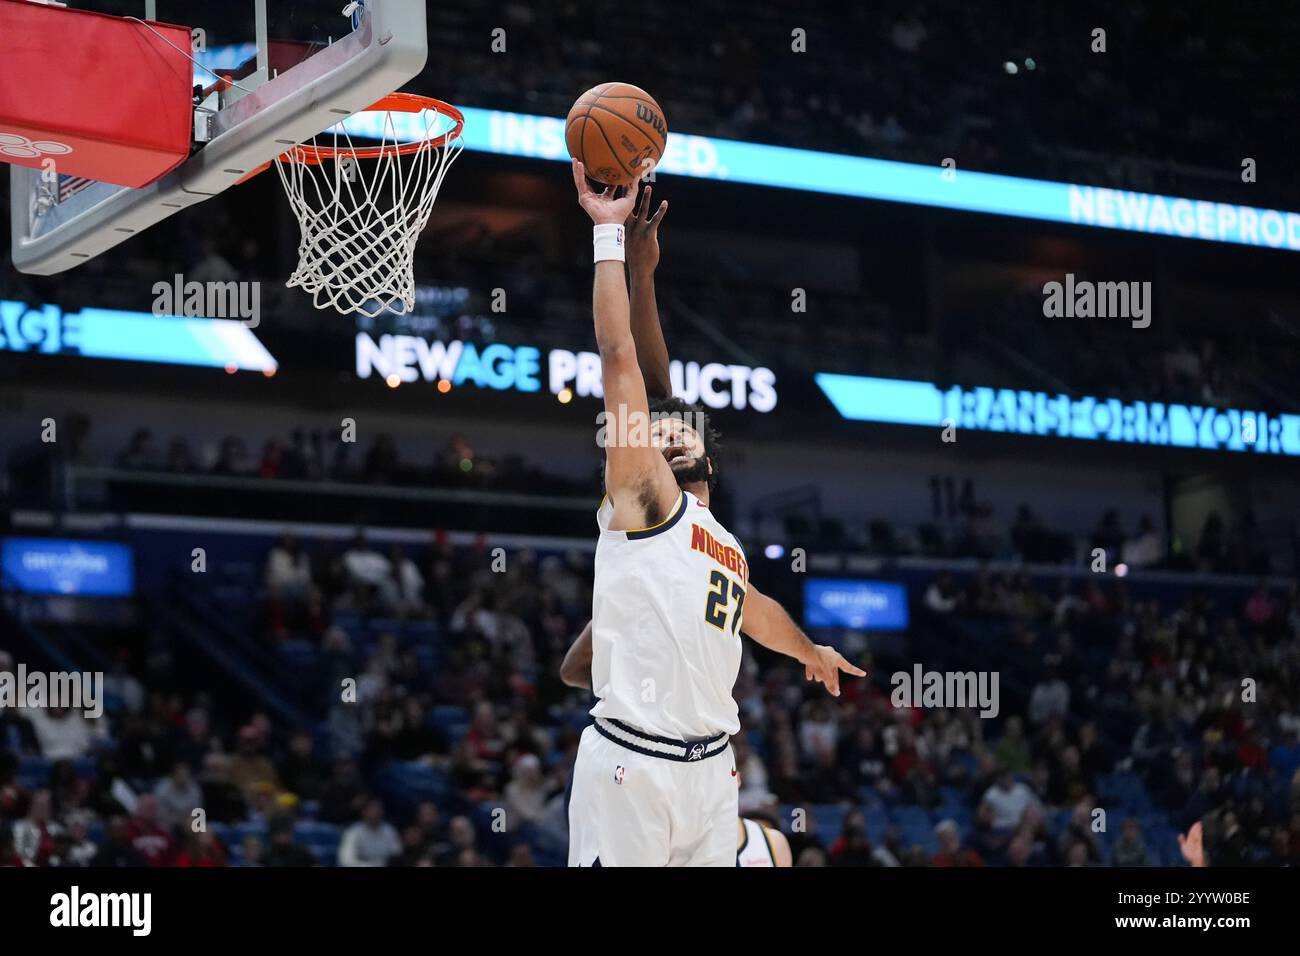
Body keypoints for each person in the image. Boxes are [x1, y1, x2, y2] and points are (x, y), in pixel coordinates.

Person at [564, 166, 863, 867]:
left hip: (709, 772)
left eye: (680, 428)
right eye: (655, 431)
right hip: (632, 767)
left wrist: (810, 652)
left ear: (707, 455)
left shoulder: (719, 542)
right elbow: (622, 362)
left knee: (778, 851)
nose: (668, 427)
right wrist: (608, 236)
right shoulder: (644, 494)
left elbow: (757, 612)